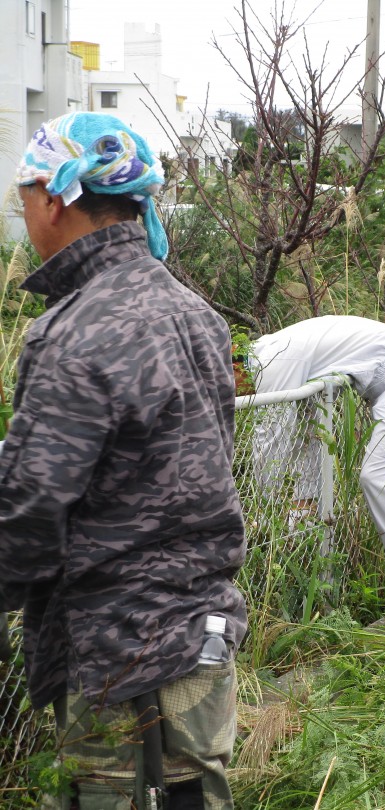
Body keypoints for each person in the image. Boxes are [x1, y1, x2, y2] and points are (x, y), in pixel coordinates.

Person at [1, 112, 247, 807]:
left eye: (23, 201)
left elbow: (32, 500)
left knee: (100, 796)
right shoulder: (194, 312)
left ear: (54, 200)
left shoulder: (74, 330)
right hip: (202, 625)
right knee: (193, 795)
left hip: (109, 642)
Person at [248, 315, 385, 607]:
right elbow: (307, 431)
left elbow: (272, 433)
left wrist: (264, 509)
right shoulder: (277, 348)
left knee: (381, 477)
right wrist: (306, 498)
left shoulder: (273, 360)